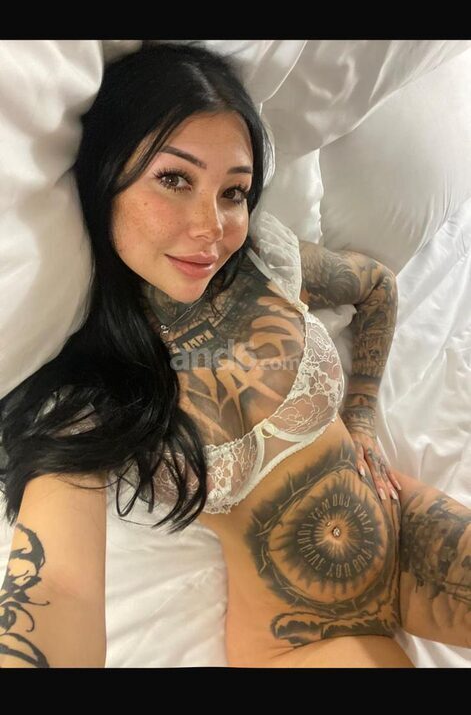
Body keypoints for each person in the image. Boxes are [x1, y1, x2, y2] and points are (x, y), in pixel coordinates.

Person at [1, 41, 470, 669]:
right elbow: (60, 588)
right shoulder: (90, 388)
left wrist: (360, 416)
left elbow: (377, 288)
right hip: (308, 634)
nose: (211, 226)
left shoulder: (265, 263)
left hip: (406, 526)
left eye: (233, 192)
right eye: (174, 179)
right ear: (107, 176)